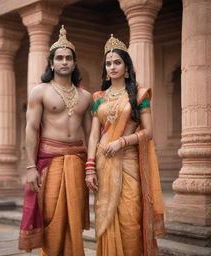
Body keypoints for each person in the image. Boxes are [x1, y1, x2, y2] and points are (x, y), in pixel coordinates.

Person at [85, 35, 165, 256]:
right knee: (106, 219)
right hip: (103, 164)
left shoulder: (139, 95)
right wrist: (89, 167)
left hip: (129, 162)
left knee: (130, 218)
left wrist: (121, 142)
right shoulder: (98, 97)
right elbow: (93, 136)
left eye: (117, 62)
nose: (112, 67)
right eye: (108, 63)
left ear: (126, 66)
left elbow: (148, 132)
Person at [18, 25, 92, 256]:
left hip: (78, 161)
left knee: (73, 217)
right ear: (51, 63)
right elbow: (31, 129)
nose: (64, 62)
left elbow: (90, 135)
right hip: (50, 161)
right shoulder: (40, 91)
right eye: (59, 58)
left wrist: (92, 167)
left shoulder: (86, 96)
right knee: (51, 215)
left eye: (69, 58)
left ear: (74, 63)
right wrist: (30, 167)